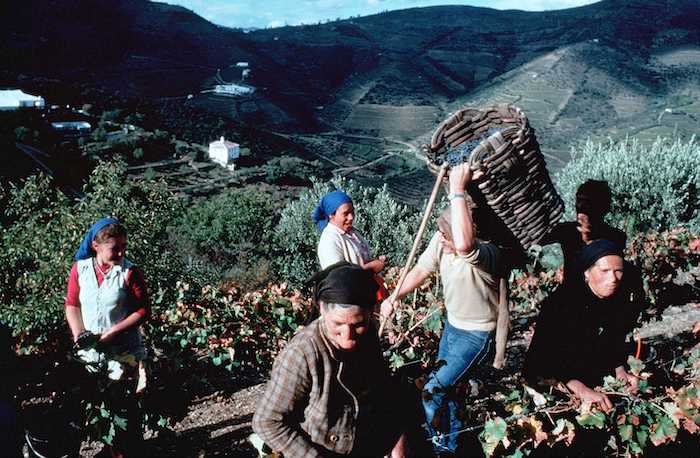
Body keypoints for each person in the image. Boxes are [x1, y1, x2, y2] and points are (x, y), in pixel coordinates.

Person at [381, 164, 509, 454]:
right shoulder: (443, 241)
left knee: (432, 390)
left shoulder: (488, 254)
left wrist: (457, 189)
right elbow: (421, 269)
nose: (440, 238)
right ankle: (452, 440)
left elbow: (464, 246)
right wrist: (394, 296)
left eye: (445, 234)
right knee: (448, 391)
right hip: (453, 328)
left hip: (476, 335)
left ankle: (441, 447)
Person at [253, 262, 408, 458]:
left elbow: (382, 391)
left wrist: (396, 437)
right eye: (338, 324)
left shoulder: (369, 335)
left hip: (362, 440)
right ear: (322, 310)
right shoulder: (302, 353)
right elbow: (266, 421)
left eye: (358, 324)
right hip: (321, 449)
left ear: (371, 312)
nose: (348, 338)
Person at [522, 239, 645, 412]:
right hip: (551, 381)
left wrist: (620, 371)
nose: (613, 278)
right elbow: (544, 363)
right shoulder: (562, 304)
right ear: (587, 273)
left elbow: (612, 341)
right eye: (604, 271)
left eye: (618, 271)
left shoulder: (617, 300)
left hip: (590, 372)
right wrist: (582, 390)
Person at [64, 217, 149, 456]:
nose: (121, 252)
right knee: (98, 407)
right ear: (96, 246)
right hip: (91, 354)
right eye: (115, 247)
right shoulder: (80, 270)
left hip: (124, 351)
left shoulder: (129, 271)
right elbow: (72, 304)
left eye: (124, 246)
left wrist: (113, 331)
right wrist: (79, 333)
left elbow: (143, 310)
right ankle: (110, 448)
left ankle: (127, 451)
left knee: (124, 408)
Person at [540, 180, 626, 284]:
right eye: (580, 203)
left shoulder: (615, 237)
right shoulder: (566, 231)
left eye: (588, 206)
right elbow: (538, 238)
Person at [313, 190, 387, 273]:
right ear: (331, 215)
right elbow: (337, 277)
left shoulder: (352, 232)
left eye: (352, 212)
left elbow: (358, 261)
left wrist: (375, 261)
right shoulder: (329, 241)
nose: (351, 217)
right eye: (346, 213)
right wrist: (370, 268)